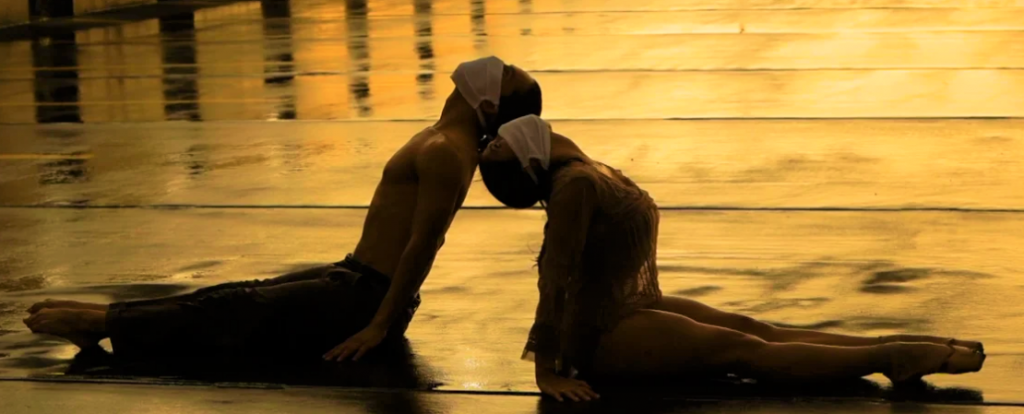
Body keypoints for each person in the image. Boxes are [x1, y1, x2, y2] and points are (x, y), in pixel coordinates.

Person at [23, 56, 543, 364]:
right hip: (353, 279)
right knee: (229, 297)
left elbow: (423, 245)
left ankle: (100, 321)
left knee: (229, 314)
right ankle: (102, 320)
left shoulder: (447, 153)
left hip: (364, 300)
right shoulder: (443, 141)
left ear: (490, 105)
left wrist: (380, 326)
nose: (497, 63)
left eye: (506, 73)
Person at [477, 115, 986, 402]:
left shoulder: (587, 169)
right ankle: (890, 359)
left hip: (623, 309)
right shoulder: (574, 186)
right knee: (743, 350)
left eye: (498, 142)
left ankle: (897, 344)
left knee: (754, 326)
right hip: (599, 337)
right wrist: (548, 372)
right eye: (498, 145)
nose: (497, 137)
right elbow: (554, 281)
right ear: (531, 160)